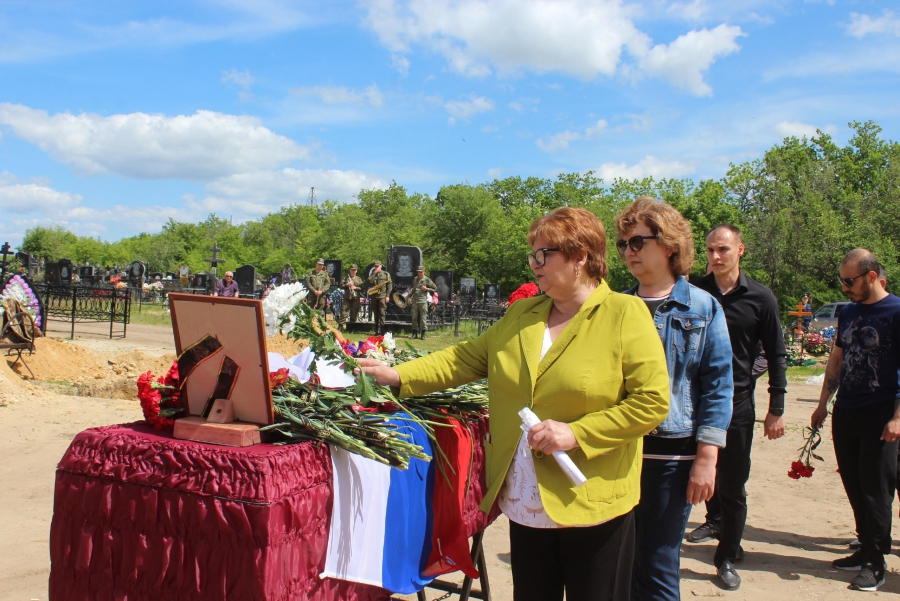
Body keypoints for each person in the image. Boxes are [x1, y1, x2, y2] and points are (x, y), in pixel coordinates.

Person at [358, 206, 670, 601]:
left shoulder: (625, 313)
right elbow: (464, 359)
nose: (535, 264)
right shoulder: (523, 313)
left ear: (580, 257)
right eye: (532, 255)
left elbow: (652, 402)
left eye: (545, 254)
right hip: (527, 498)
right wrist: (399, 376)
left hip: (593, 500)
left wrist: (577, 433)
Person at [616, 198, 734, 601]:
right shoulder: (616, 306)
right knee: (619, 561)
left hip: (672, 454)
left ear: (667, 244)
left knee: (658, 563)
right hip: (618, 450)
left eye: (636, 242)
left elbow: (719, 384)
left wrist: (707, 456)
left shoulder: (702, 307)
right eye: (622, 244)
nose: (627, 252)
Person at [687, 224, 787, 591]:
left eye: (723, 250)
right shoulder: (693, 293)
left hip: (737, 404)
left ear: (740, 250)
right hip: (692, 403)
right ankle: (712, 522)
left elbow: (776, 353)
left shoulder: (761, 298)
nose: (716, 257)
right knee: (688, 477)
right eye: (711, 250)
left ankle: (727, 555)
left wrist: (776, 406)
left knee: (732, 483)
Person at [811, 249, 900, 592]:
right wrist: (823, 404)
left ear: (873, 276)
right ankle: (865, 546)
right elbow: (837, 358)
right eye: (842, 280)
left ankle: (876, 564)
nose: (845, 287)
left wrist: (896, 418)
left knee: (876, 488)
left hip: (882, 411)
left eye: (851, 281)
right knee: (853, 482)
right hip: (847, 408)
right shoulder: (847, 312)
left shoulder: (895, 311)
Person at [410, 266, 436, 340]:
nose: (419, 273)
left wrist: (427, 289)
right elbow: (413, 289)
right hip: (415, 301)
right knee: (414, 317)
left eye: (421, 272)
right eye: (418, 272)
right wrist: (409, 296)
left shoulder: (427, 279)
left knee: (423, 318)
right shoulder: (415, 279)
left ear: (424, 272)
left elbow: (435, 288)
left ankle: (423, 334)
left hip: (423, 301)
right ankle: (414, 333)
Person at [367, 260, 392, 335]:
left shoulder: (386, 274)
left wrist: (387, 296)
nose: (376, 267)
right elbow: (369, 281)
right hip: (374, 296)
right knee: (376, 312)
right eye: (375, 266)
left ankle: (382, 330)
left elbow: (389, 286)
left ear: (381, 266)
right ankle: (376, 330)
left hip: (382, 296)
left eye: (378, 266)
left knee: (382, 312)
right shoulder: (373, 274)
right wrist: (374, 274)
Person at [340, 264, 364, 331]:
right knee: (344, 312)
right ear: (350, 270)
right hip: (347, 297)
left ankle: (351, 328)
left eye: (354, 270)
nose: (353, 271)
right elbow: (341, 285)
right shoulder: (346, 278)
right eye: (352, 270)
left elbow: (362, 288)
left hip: (355, 298)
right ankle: (340, 326)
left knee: (354, 313)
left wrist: (355, 287)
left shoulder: (359, 279)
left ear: (356, 271)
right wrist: (347, 284)